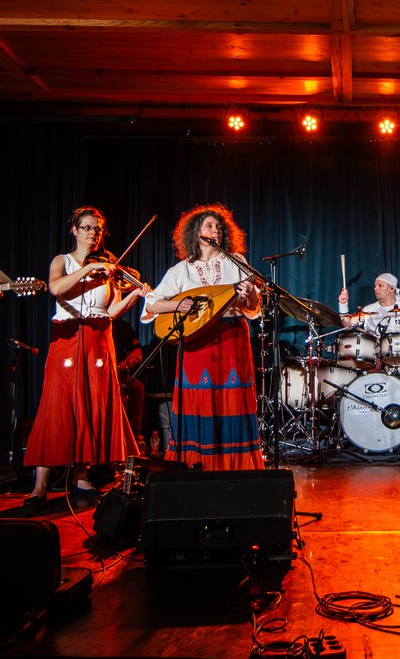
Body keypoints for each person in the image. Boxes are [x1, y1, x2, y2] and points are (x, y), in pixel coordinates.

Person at [22, 206, 147, 511]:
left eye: (97, 229)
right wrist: (87, 271)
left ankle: (81, 476)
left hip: (98, 338)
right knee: (57, 405)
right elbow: (56, 288)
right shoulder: (62, 262)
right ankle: (40, 485)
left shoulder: (107, 269)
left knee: (91, 405)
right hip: (66, 336)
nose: (93, 233)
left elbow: (111, 311)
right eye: (87, 227)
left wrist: (134, 295)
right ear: (74, 230)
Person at [143, 203, 264, 471]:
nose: (215, 231)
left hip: (232, 337)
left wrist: (250, 294)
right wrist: (177, 305)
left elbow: (253, 308)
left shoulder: (237, 261)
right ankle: (197, 466)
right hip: (196, 342)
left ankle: (235, 467)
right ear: (196, 232)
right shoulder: (181, 270)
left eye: (219, 227)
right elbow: (152, 304)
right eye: (209, 226)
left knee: (231, 401)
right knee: (199, 399)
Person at [338, 273, 400, 424]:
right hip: (374, 361)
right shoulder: (369, 310)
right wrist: (343, 304)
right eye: (375, 286)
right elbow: (347, 325)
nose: (376, 289)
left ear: (392, 288)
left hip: (398, 360)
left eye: (380, 285)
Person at [112, 318, 146, 452]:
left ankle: (134, 436)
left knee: (137, 388)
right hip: (96, 374)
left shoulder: (122, 326)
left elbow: (137, 354)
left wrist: (119, 367)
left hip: (118, 374)